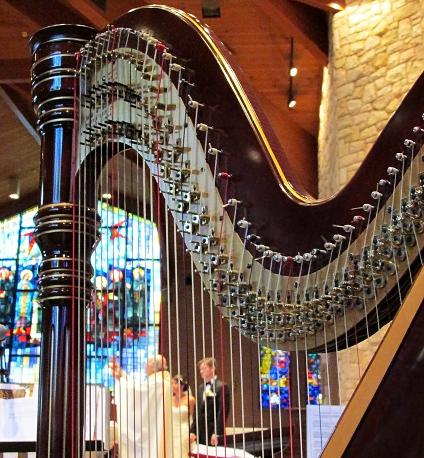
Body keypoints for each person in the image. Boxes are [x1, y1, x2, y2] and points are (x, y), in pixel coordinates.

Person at [112, 354, 173, 457]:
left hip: (152, 431)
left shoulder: (158, 382)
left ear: (153, 366)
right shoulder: (162, 380)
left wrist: (121, 380)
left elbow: (137, 391)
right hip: (153, 426)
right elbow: (138, 388)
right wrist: (122, 374)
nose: (145, 366)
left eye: (147, 363)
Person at [190, 357, 230, 447]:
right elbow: (197, 412)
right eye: (200, 369)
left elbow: (222, 412)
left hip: (212, 431)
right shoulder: (200, 388)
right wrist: (193, 431)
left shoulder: (221, 387)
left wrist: (217, 433)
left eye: (204, 368)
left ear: (213, 368)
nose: (201, 371)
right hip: (200, 432)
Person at [172, 374, 196, 457]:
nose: (173, 385)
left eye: (175, 383)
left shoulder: (190, 399)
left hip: (184, 430)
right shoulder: (169, 399)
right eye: (172, 383)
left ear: (182, 385)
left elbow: (192, 417)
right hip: (171, 431)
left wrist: (192, 432)